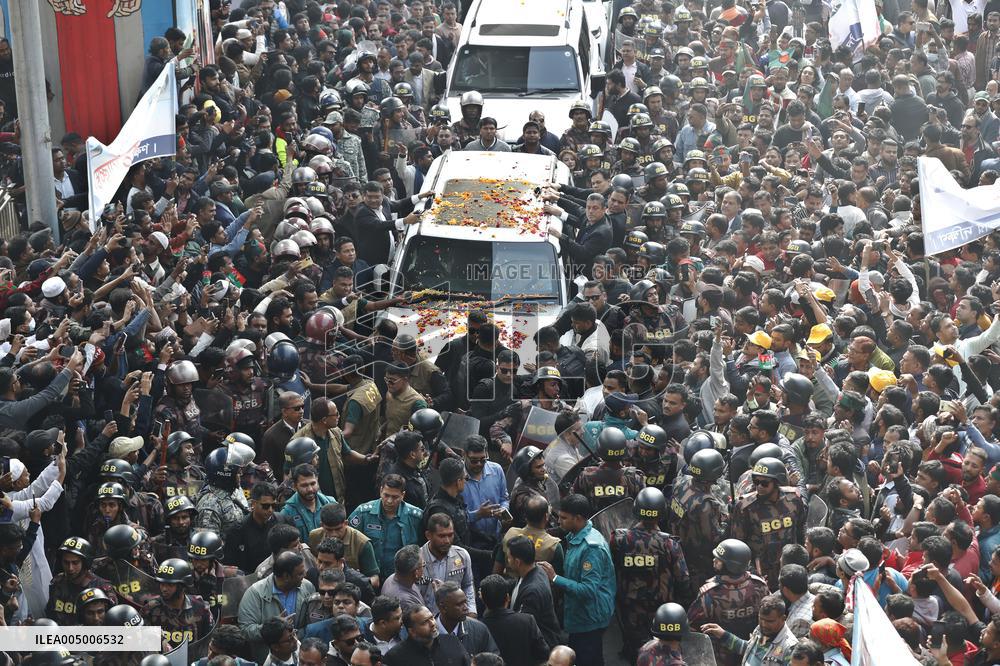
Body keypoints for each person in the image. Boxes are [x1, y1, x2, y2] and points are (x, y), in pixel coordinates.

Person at [538, 494, 615, 666]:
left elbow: (588, 590)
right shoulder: (575, 535)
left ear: (578, 518)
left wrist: (555, 578)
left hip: (589, 618)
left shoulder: (591, 549)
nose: (559, 521)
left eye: (564, 518)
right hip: (579, 614)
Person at [479, 574, 550, 665]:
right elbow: (543, 653)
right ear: (508, 598)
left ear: (483, 600)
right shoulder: (527, 621)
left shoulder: (480, 628)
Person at [383, 605, 471, 665]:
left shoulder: (452, 642)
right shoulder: (394, 657)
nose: (432, 623)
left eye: (432, 618)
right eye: (425, 622)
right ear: (412, 631)